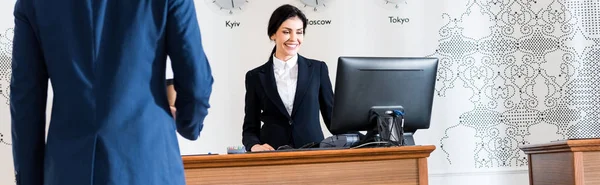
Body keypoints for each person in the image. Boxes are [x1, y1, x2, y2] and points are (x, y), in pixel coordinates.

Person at [10, 0, 213, 184]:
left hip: (68, 171)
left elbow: (25, 103)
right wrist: (189, 124)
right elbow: (195, 81)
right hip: (149, 168)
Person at [242, 4, 334, 152]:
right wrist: (254, 146)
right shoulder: (255, 77)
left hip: (313, 154)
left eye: (299, 32)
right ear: (273, 34)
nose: (294, 38)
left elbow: (333, 120)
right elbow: (250, 127)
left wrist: (368, 138)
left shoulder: (318, 70)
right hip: (272, 156)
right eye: (286, 32)